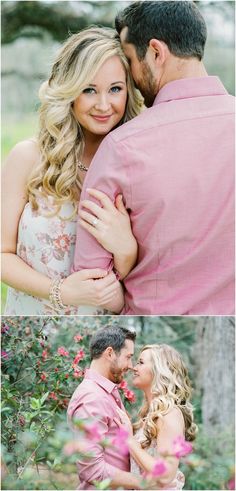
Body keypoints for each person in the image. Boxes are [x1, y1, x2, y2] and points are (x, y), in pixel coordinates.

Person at [73, 1, 235, 315]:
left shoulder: (121, 147)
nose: (131, 77)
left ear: (156, 52)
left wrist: (126, 252)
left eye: (130, 60)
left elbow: (91, 278)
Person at [2, 27, 143, 315]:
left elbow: (143, 276)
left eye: (115, 89)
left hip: (100, 322)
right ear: (69, 90)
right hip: (31, 321)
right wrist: (60, 291)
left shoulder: (140, 164)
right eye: (89, 89)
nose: (104, 105)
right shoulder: (29, 157)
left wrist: (127, 250)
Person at [67, 325, 141, 490]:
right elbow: (92, 471)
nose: (130, 365)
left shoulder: (105, 392)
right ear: (109, 353)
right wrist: (143, 482)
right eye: (128, 357)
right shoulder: (91, 398)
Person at [115, 344, 197, 490]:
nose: (134, 367)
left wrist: (129, 440)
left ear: (159, 370)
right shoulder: (150, 415)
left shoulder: (170, 413)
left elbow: (166, 475)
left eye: (141, 362)